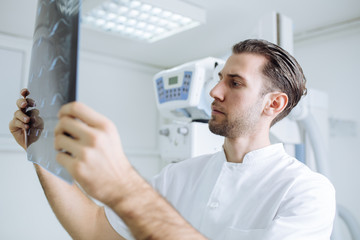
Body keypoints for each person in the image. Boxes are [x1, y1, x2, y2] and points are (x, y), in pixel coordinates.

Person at [9, 39, 336, 240]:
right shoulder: (178, 175)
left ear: (273, 103)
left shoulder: (306, 191)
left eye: (234, 83)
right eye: (219, 78)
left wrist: (124, 186)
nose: (214, 91)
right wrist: (41, 153)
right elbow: (95, 231)